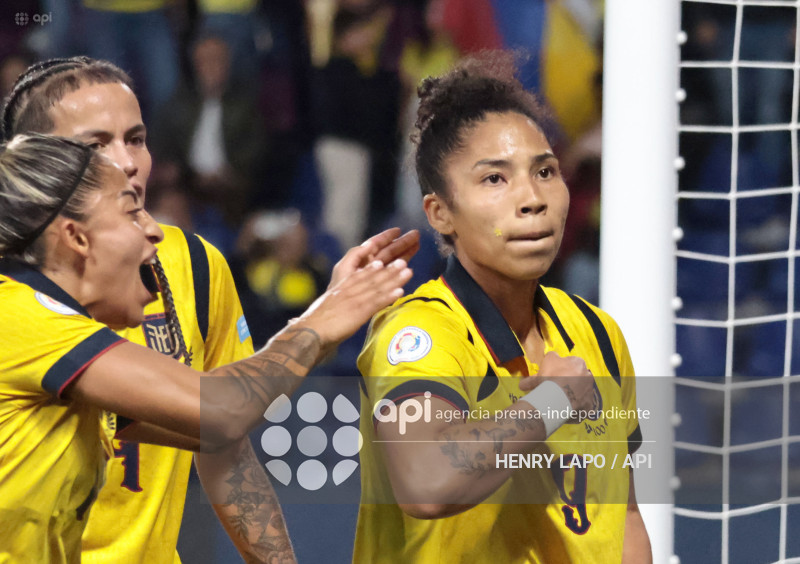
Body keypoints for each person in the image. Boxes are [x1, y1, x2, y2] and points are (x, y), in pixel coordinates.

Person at [0, 56, 420, 563]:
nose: (127, 162)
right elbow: (221, 406)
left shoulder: (192, 264)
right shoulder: (17, 314)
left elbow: (218, 432)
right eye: (95, 147)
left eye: (135, 138)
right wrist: (323, 318)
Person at [354, 52, 652, 563]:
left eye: (545, 170)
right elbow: (427, 482)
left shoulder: (597, 333)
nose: (532, 198)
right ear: (440, 212)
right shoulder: (419, 334)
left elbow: (621, 517)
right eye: (495, 178)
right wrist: (553, 404)